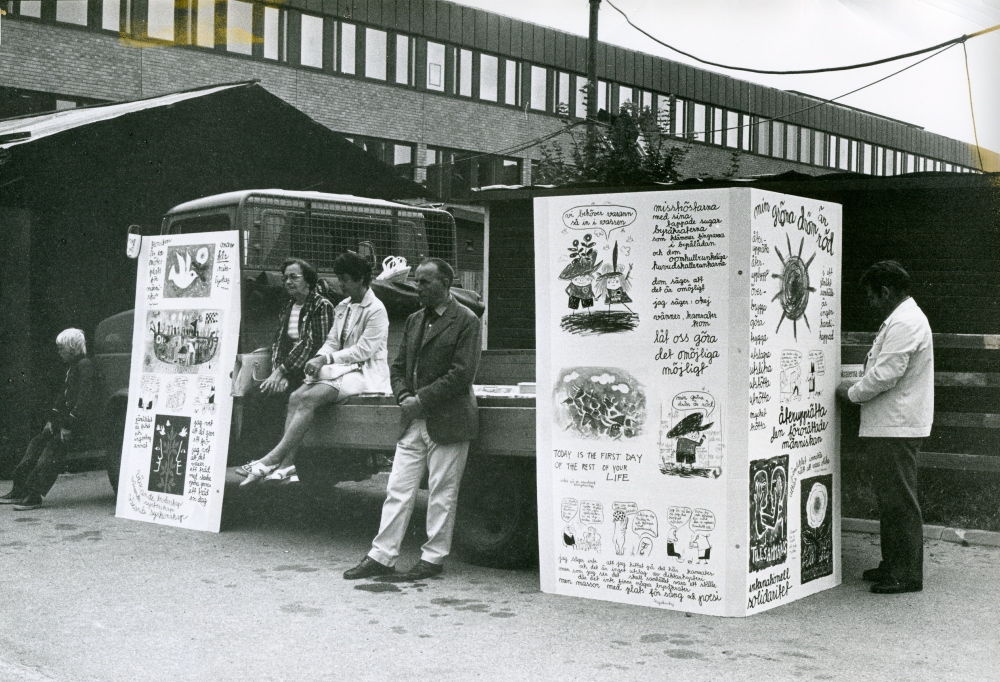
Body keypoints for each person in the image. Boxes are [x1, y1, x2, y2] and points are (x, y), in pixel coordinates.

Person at [344, 258, 482, 581]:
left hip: (449, 420)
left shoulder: (467, 321)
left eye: (424, 282)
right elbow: (397, 366)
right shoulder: (414, 320)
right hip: (414, 419)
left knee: (441, 492)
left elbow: (462, 374)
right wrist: (404, 396)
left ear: (445, 285)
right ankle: (381, 555)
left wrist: (420, 400)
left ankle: (432, 559)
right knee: (398, 488)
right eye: (416, 281)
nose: (417, 288)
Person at [241, 251, 390, 485]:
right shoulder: (343, 306)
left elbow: (363, 351)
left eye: (345, 279)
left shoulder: (377, 309)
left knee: (309, 399)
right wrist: (317, 359)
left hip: (364, 373)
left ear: (360, 279)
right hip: (341, 370)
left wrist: (324, 361)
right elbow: (331, 341)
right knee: (296, 396)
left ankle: (273, 458)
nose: (340, 284)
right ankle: (288, 465)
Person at [837, 261, 933, 595]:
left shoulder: (905, 322)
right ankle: (893, 565)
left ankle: (905, 574)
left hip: (896, 425)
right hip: (891, 424)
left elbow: (886, 373)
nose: (870, 302)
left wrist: (851, 393)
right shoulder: (904, 318)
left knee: (899, 501)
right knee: (891, 499)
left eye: (872, 296)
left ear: (886, 291)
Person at [235, 257, 334, 475]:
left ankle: (272, 461)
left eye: (293, 277)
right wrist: (278, 374)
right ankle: (255, 458)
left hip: (310, 373)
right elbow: (280, 341)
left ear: (307, 280)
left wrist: (282, 372)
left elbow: (312, 344)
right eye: (285, 278)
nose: (288, 282)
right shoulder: (289, 306)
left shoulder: (322, 306)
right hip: (288, 371)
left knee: (277, 400)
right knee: (255, 397)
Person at [1, 329, 95, 511]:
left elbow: (84, 399)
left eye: (61, 348)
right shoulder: (71, 368)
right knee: (36, 443)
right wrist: (52, 420)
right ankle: (20, 489)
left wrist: (68, 425)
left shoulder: (84, 365)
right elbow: (63, 396)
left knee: (52, 451)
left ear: (72, 348)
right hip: (64, 422)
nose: (58, 352)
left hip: (76, 425)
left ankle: (34, 495)